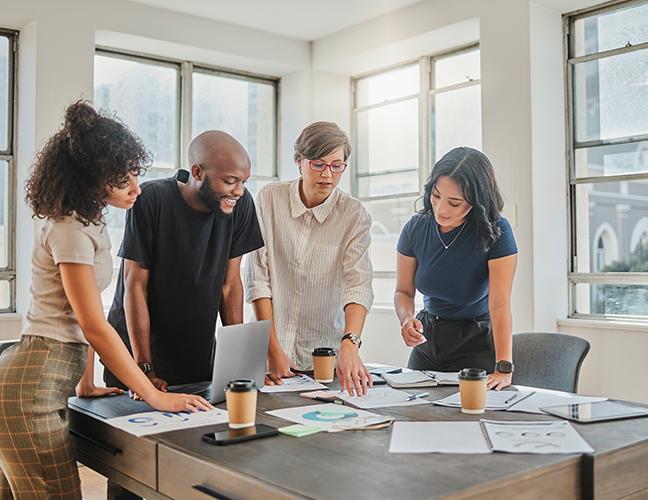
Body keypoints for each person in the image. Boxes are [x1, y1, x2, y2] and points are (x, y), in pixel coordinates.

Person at [0, 101, 211, 500]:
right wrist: (154, 395)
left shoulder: (86, 223)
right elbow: (95, 326)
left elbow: (77, 317)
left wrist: (88, 384)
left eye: (135, 173)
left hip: (38, 377)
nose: (136, 186)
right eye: (122, 178)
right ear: (92, 180)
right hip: (31, 385)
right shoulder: (70, 230)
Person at [103, 130, 264, 391]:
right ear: (197, 172)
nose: (240, 191)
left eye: (244, 181)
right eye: (231, 181)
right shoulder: (151, 199)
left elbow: (230, 285)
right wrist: (144, 368)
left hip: (196, 356)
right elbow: (134, 286)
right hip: (136, 356)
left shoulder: (241, 206)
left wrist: (239, 366)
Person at [245, 122, 374, 396]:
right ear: (299, 162)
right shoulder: (269, 199)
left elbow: (358, 284)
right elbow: (258, 279)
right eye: (318, 164)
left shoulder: (353, 214)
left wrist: (350, 343)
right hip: (270, 356)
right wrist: (273, 351)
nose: (328, 174)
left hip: (324, 357)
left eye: (336, 165)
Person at [394, 147, 518, 390]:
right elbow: (404, 292)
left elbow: (500, 305)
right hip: (428, 339)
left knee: (468, 418)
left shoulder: (497, 232)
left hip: (475, 341)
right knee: (414, 413)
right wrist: (406, 318)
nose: (441, 209)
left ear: (476, 201)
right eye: (436, 196)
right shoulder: (415, 228)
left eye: (454, 202)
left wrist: (504, 367)